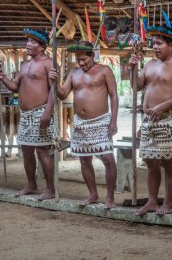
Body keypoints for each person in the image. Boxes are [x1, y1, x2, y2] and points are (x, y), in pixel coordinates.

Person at [44, 41, 118, 209]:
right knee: (84, 160)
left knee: (108, 159)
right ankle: (92, 194)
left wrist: (113, 121)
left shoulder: (105, 71)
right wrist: (54, 82)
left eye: (84, 59)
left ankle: (110, 198)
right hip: (80, 123)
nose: (82, 63)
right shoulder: (73, 73)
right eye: (79, 60)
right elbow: (62, 95)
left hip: (101, 121)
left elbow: (114, 96)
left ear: (93, 55)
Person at [129, 25, 172, 216]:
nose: (155, 47)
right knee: (150, 162)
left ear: (171, 44)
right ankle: (152, 201)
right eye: (153, 44)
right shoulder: (149, 65)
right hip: (148, 120)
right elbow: (136, 86)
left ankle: (168, 204)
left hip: (168, 119)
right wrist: (132, 68)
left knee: (168, 163)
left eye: (159, 43)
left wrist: (163, 106)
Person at [0, 28, 55, 201]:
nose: (28, 44)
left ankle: (50, 189)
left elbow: (53, 90)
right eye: (27, 41)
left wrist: (47, 112)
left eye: (33, 41)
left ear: (42, 46)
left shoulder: (49, 63)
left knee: (42, 151)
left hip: (41, 113)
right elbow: (15, 87)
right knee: (27, 151)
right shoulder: (25, 65)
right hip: (26, 114)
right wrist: (3, 77)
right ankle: (31, 185)